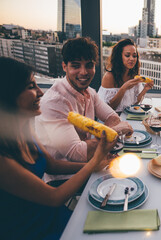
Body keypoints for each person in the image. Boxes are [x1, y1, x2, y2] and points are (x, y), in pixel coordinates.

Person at [0, 57, 117, 239]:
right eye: (31, 87)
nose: (40, 92)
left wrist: (97, 166)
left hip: (51, 214)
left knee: (114, 222)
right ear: (7, 95)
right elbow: (54, 197)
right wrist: (92, 163)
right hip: (33, 229)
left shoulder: (24, 129)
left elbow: (51, 165)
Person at [35, 37, 133, 183]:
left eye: (89, 65)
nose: (84, 72)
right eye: (76, 66)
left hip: (92, 163)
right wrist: (115, 131)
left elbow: (112, 118)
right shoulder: (55, 101)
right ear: (64, 66)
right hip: (65, 178)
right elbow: (77, 153)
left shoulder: (90, 92)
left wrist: (107, 135)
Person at [98, 38, 154, 113]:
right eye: (127, 55)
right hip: (111, 118)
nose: (132, 59)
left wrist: (145, 89)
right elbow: (109, 108)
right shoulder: (109, 76)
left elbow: (135, 103)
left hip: (128, 116)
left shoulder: (134, 74)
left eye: (134, 56)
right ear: (119, 57)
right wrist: (123, 88)